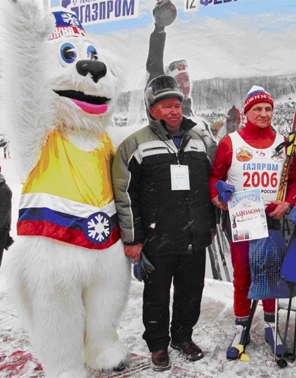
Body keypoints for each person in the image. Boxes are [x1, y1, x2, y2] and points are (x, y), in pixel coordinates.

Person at [112, 75, 215, 370]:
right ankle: (157, 344)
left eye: (177, 105)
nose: (174, 111)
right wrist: (132, 239)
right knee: (156, 296)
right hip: (158, 239)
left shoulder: (197, 142)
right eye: (166, 106)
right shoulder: (135, 145)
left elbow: (212, 183)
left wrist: (212, 219)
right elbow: (125, 195)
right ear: (152, 110)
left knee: (191, 292)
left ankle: (182, 336)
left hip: (194, 236)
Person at [209, 85, 296, 359]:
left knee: (269, 272)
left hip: (271, 218)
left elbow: (294, 181)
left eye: (268, 109)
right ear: (246, 112)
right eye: (257, 109)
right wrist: (217, 194)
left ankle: (271, 326)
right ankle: (241, 326)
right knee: (243, 274)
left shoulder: (284, 144)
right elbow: (215, 176)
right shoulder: (230, 142)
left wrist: (288, 203)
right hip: (243, 217)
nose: (263, 114)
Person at [146, 0, 217, 162]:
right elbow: (154, 66)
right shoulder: (160, 118)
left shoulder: (201, 124)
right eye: (178, 80)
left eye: (186, 79)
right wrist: (159, 29)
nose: (184, 84)